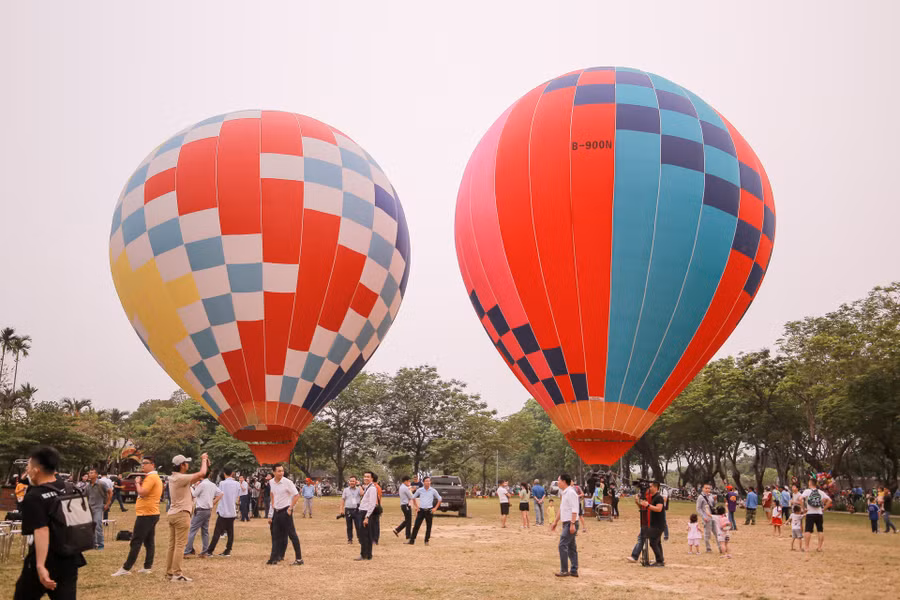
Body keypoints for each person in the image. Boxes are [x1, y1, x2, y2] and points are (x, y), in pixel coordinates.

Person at [14, 446, 87, 600]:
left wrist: (40, 566)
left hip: (45, 559)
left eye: (28, 467)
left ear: (36, 470)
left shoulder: (34, 496)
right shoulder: (68, 488)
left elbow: (41, 530)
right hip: (69, 557)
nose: (27, 471)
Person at [111, 456, 163, 577]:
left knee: (136, 541)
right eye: (142, 463)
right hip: (152, 513)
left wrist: (137, 483)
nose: (143, 465)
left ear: (152, 465)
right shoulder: (155, 477)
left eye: (145, 463)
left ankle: (126, 567)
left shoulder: (151, 477)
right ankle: (147, 566)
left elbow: (142, 492)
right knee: (149, 541)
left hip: (146, 514)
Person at [164, 453, 208, 582]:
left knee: (172, 545)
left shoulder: (174, 477)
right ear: (182, 465)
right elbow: (202, 473)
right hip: (181, 514)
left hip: (173, 513)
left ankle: (169, 573)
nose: (188, 465)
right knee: (180, 545)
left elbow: (197, 477)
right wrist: (204, 460)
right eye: (186, 463)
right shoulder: (181, 478)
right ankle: (177, 574)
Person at [266, 464, 303, 566]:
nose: (281, 473)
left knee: (292, 535)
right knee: (275, 535)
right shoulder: (271, 482)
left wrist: (290, 508)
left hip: (285, 512)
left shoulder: (287, 482)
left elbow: (296, 495)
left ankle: (299, 559)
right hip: (276, 512)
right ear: (273, 472)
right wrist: (270, 514)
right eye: (278, 471)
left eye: (282, 471)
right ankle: (274, 558)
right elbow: (272, 498)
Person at [202, 465, 240, 558]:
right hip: (232, 510)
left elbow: (219, 494)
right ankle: (228, 550)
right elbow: (238, 495)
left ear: (224, 473)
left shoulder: (222, 483)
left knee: (217, 532)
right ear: (232, 473)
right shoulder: (237, 484)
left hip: (223, 511)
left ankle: (210, 551)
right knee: (230, 532)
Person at [551, 473, 580, 577]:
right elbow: (561, 509)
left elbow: (575, 509)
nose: (558, 482)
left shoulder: (571, 492)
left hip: (570, 523)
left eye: (559, 480)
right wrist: (555, 521)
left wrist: (572, 524)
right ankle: (574, 570)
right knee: (571, 547)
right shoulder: (564, 493)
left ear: (564, 481)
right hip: (566, 522)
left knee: (562, 545)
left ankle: (564, 570)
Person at [183, 472, 218, 557]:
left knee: (192, 530)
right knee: (205, 531)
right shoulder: (212, 485)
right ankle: (205, 551)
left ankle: (187, 551)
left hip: (200, 510)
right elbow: (219, 493)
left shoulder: (202, 485)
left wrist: (193, 487)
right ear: (209, 475)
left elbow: (194, 495)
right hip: (208, 510)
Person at [801, 477, 832, 552]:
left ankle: (807, 548)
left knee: (808, 530)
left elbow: (800, 499)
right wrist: (823, 509)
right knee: (820, 530)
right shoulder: (821, 492)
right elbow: (830, 500)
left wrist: (803, 508)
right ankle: (819, 547)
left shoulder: (807, 491)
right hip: (819, 513)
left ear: (810, 483)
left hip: (810, 513)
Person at [408, 476, 442, 545]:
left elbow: (440, 499)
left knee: (429, 526)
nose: (428, 482)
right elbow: (413, 497)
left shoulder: (433, 490)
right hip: (421, 510)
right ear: (423, 482)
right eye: (426, 481)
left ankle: (426, 541)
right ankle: (412, 540)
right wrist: (417, 507)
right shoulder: (420, 490)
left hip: (429, 511)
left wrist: (435, 508)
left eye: (429, 481)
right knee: (416, 526)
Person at [85, 468, 112, 551]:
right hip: (90, 508)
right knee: (90, 527)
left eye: (92, 473)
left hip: (98, 507)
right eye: (89, 473)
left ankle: (100, 544)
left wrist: (107, 504)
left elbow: (110, 492)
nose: (90, 474)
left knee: (98, 525)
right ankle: (93, 543)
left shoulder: (101, 483)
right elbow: (85, 496)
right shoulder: (88, 486)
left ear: (96, 474)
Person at [355, 471, 378, 560]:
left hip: (366, 513)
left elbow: (372, 504)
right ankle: (368, 554)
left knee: (364, 535)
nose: (366, 478)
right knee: (366, 535)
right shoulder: (368, 487)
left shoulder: (372, 488)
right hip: (363, 512)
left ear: (372, 478)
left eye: (368, 477)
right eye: (365, 476)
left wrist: (367, 517)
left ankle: (364, 554)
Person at [696, 483, 717, 553]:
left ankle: (721, 547)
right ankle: (708, 549)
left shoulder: (711, 496)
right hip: (706, 518)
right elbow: (698, 509)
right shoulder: (700, 497)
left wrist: (715, 500)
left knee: (717, 533)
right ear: (703, 489)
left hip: (713, 516)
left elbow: (713, 506)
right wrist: (703, 516)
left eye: (709, 488)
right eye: (706, 488)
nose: (707, 489)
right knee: (707, 534)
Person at [340, 476, 361, 544]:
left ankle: (360, 538)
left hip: (357, 509)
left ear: (356, 482)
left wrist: (359, 485)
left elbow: (362, 494)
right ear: (349, 482)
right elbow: (343, 499)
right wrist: (341, 509)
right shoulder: (346, 490)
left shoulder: (358, 489)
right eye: (351, 481)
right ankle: (350, 539)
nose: (352, 482)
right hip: (348, 509)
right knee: (349, 526)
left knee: (358, 525)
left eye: (353, 481)